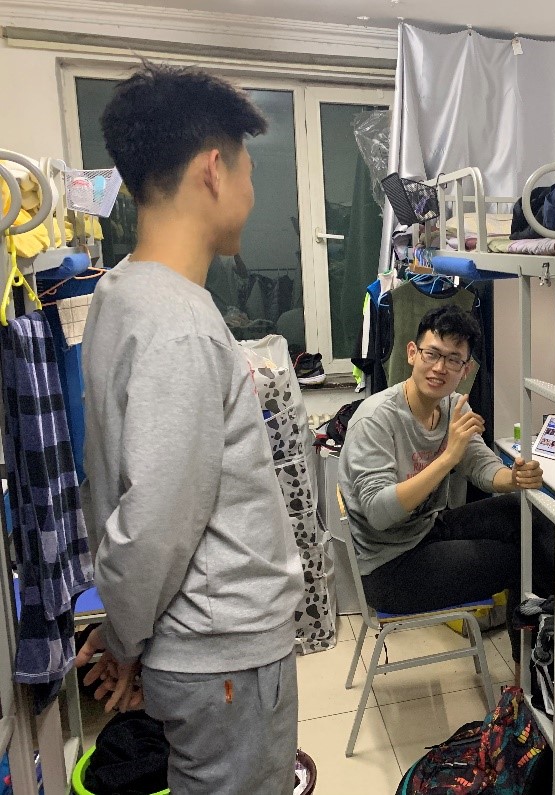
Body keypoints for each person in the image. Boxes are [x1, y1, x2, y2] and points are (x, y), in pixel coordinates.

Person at [74, 64, 303, 795]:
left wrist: (127, 630)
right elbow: (154, 525)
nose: (252, 194)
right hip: (225, 650)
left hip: (193, 642)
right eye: (249, 172)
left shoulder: (119, 292)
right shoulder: (182, 326)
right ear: (213, 169)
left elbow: (122, 488)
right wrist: (123, 634)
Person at [338, 305, 554, 656]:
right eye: (432, 354)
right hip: (389, 566)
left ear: (465, 369)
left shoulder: (455, 406)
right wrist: (447, 457)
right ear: (412, 353)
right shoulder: (375, 419)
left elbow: (481, 466)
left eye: (453, 359)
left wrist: (513, 477)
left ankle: (549, 650)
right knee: (522, 560)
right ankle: (534, 668)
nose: (439, 368)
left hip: (427, 529)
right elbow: (379, 513)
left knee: (524, 514)